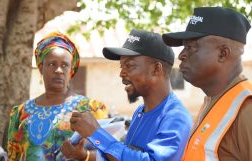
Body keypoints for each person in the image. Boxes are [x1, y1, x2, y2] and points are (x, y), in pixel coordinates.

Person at [162, 7, 252, 161]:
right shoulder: (213, 99)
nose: (181, 55)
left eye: (190, 47)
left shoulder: (251, 112)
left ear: (223, 53)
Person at [68, 29, 193, 161]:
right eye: (121, 67)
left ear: (156, 69)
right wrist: (84, 155)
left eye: (129, 66)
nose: (122, 74)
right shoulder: (140, 112)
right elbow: (126, 155)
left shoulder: (176, 117)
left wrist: (96, 133)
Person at [7, 32, 108, 161]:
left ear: (71, 70)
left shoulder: (91, 109)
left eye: (65, 65)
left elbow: (108, 156)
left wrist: (85, 155)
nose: (59, 70)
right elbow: (12, 157)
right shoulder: (20, 113)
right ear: (41, 67)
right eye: (52, 64)